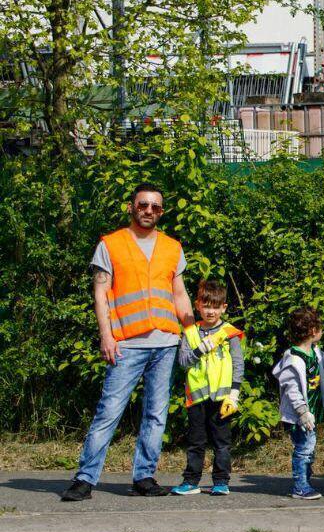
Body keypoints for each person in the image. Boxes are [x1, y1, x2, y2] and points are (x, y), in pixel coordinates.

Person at [62, 184, 195, 502]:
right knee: (109, 412)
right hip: (127, 344)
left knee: (156, 414)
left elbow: (179, 294)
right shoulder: (111, 244)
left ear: (161, 212)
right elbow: (100, 293)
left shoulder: (172, 248)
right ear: (131, 207)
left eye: (156, 207)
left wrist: (191, 334)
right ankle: (85, 479)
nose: (149, 210)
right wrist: (106, 336)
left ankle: (144, 477)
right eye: (143, 205)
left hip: (165, 342)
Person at [171, 279, 244, 496]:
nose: (210, 311)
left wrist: (235, 393)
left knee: (222, 442)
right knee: (196, 442)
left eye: (215, 306)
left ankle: (221, 481)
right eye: (206, 306)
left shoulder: (230, 333)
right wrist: (199, 351)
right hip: (197, 398)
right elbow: (183, 362)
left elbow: (238, 363)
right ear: (198, 306)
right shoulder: (190, 332)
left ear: (223, 307)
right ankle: (191, 481)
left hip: (223, 397)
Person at [272, 306, 324, 500]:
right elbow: (291, 389)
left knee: (309, 448)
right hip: (299, 415)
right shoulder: (293, 359)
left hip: (312, 411)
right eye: (320, 327)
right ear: (313, 331)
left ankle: (304, 481)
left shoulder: (316, 353)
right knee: (304, 449)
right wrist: (302, 412)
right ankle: (300, 486)